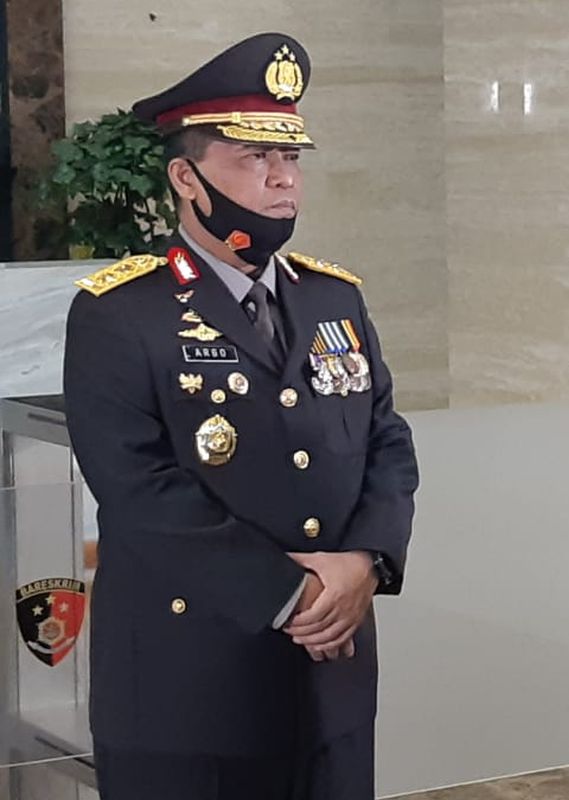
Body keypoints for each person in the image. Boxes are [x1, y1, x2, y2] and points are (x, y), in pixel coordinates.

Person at [63, 32, 419, 800]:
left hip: (331, 680)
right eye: (255, 159)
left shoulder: (333, 298)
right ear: (187, 178)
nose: (284, 179)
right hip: (188, 690)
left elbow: (387, 442)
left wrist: (366, 562)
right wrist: (294, 596)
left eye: (290, 158)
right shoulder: (121, 313)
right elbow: (141, 490)